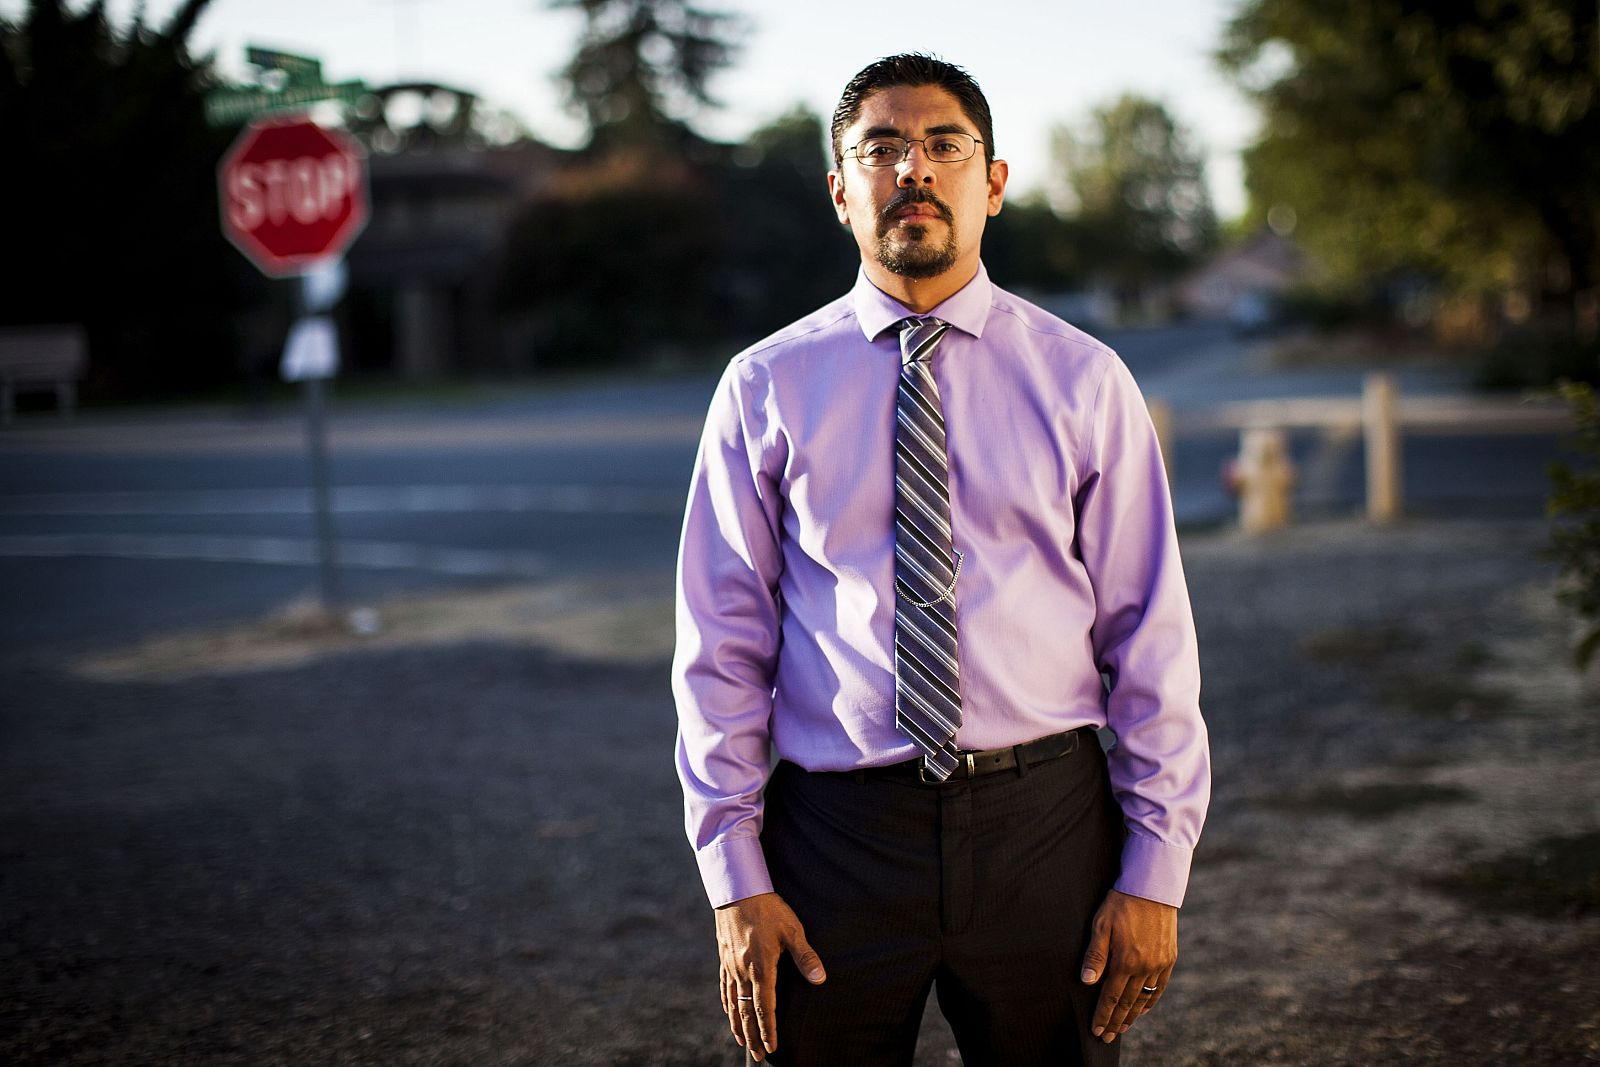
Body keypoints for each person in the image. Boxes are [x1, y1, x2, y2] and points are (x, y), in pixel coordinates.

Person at [672, 53, 1210, 1066]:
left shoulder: (1085, 380)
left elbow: (1149, 635)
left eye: (944, 145)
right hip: (833, 839)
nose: (913, 169)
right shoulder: (764, 387)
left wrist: (1156, 868)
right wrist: (735, 878)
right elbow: (720, 645)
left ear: (992, 182)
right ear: (841, 191)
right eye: (880, 148)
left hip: (1045, 828)